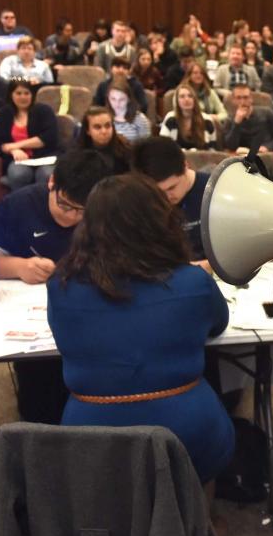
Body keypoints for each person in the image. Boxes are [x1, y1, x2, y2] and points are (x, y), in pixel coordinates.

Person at [49, 173, 234, 484]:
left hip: (90, 438)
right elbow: (219, 323)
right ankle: (197, 523)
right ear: (158, 222)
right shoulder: (193, 282)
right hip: (187, 434)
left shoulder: (61, 287)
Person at [0, 150, 113, 424]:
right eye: (65, 206)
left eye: (83, 211)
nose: (72, 218)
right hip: (33, 325)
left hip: (93, 319)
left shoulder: (107, 211)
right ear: (52, 182)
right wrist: (18, 267)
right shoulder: (18, 206)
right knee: (41, 400)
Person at [132, 136, 212, 266]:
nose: (166, 197)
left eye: (172, 187)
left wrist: (207, 266)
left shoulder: (215, 190)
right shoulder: (142, 197)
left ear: (186, 165)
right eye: (158, 192)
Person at [0, 78, 58, 191]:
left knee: (46, 175)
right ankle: (21, 206)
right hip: (17, 159)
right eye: (18, 93)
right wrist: (13, 150)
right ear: (11, 95)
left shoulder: (44, 110)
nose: (23, 97)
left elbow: (49, 137)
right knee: (19, 175)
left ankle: (43, 207)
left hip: (45, 157)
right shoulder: (4, 113)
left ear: (32, 95)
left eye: (26, 93)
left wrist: (15, 145)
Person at [222, 83, 273, 154]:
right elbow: (230, 146)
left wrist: (268, 147)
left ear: (251, 99)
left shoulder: (267, 113)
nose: (242, 102)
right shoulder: (230, 119)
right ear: (233, 100)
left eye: (245, 97)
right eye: (238, 98)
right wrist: (237, 123)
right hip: (243, 157)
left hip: (265, 154)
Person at [160, 85, 217, 150]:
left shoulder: (207, 120)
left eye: (190, 96)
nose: (186, 99)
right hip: (176, 159)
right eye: (182, 96)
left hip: (201, 159)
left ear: (195, 100)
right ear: (177, 101)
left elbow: (212, 149)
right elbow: (163, 147)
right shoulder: (170, 119)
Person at [77, 106, 132, 174]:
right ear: (88, 131)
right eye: (97, 127)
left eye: (107, 126)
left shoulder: (125, 148)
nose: (104, 131)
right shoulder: (78, 153)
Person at [105, 77, 151, 143]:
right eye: (113, 99)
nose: (117, 103)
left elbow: (146, 146)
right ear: (108, 99)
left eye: (122, 99)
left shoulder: (140, 119)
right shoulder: (104, 117)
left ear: (128, 99)